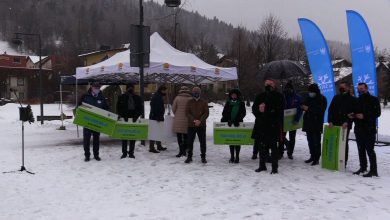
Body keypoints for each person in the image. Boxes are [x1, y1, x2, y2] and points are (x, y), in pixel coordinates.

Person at [252, 79, 285, 174]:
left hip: (273, 126)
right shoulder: (260, 96)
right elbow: (254, 109)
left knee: (274, 148)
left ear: (274, 85)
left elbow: (281, 109)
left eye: (270, 84)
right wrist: (259, 111)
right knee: (262, 148)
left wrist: (269, 110)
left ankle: (274, 168)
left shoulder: (279, 96)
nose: (268, 85)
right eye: (266, 84)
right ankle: (262, 166)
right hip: (261, 125)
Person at [352, 83, 381, 177]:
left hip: (369, 129)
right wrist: (353, 115)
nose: (360, 90)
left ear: (366, 88)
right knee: (361, 150)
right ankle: (363, 167)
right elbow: (355, 112)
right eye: (358, 89)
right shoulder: (357, 100)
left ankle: (373, 170)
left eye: (362, 89)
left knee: (370, 150)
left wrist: (364, 116)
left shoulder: (374, 99)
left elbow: (377, 113)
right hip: (359, 129)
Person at [328, 81, 356, 167]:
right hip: (335, 123)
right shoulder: (336, 97)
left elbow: (353, 113)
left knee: (343, 143)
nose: (341, 88)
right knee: (334, 141)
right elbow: (331, 110)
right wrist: (330, 121)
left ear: (348, 88)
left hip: (345, 125)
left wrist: (347, 122)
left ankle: (343, 161)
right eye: (340, 87)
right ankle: (334, 158)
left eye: (343, 87)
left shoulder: (352, 99)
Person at [79, 82, 109, 162]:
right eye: (95, 87)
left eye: (98, 87)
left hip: (97, 122)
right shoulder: (85, 96)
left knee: (96, 140)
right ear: (91, 87)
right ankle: (87, 155)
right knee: (86, 140)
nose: (97, 89)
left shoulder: (102, 97)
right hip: (87, 122)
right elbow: (79, 107)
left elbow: (106, 108)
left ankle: (96, 155)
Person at [301, 83, 327, 166]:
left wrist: (309, 108)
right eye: (309, 91)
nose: (310, 93)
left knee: (316, 142)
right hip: (308, 122)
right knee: (310, 141)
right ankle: (312, 156)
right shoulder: (308, 97)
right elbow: (303, 103)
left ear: (315, 91)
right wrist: (302, 106)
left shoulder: (322, 98)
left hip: (316, 123)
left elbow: (320, 110)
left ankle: (317, 158)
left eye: (311, 92)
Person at [116, 84, 143, 159]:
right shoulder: (122, 97)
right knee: (124, 136)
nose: (131, 90)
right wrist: (122, 115)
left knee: (132, 136)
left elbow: (140, 108)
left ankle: (131, 152)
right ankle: (124, 153)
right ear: (126, 89)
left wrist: (136, 116)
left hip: (133, 119)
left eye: (132, 88)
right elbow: (118, 108)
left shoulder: (137, 98)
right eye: (129, 88)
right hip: (125, 119)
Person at [221, 88, 246, 163]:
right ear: (230, 95)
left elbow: (243, 113)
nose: (234, 95)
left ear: (237, 95)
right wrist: (228, 119)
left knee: (237, 141)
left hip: (238, 124)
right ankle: (232, 156)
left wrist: (237, 120)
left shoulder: (241, 103)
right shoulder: (228, 103)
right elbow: (224, 113)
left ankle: (237, 157)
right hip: (229, 124)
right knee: (231, 140)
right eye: (232, 94)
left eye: (235, 94)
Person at [185, 86, 209, 164]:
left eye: (197, 93)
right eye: (194, 92)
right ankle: (189, 156)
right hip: (191, 125)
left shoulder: (204, 102)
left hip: (201, 125)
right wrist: (194, 120)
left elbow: (206, 113)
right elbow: (187, 113)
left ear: (200, 93)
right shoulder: (189, 102)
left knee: (202, 142)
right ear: (192, 93)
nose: (196, 94)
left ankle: (203, 157)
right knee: (190, 142)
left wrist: (200, 121)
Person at [280, 82, 302, 160]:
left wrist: (296, 119)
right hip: (283, 121)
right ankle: (280, 152)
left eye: (289, 89)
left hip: (293, 121)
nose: (288, 90)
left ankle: (290, 153)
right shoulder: (282, 96)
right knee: (281, 137)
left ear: (292, 89)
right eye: (286, 89)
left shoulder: (298, 97)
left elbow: (300, 109)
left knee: (292, 138)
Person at [172, 86, 192, 157]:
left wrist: (177, 114)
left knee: (179, 136)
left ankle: (181, 151)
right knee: (186, 136)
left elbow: (173, 109)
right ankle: (185, 150)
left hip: (178, 120)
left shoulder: (177, 98)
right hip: (187, 120)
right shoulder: (190, 99)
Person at [149, 85, 168, 153]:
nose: (166, 92)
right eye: (165, 90)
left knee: (158, 132)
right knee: (154, 132)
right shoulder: (157, 96)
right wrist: (157, 116)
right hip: (155, 117)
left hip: (157, 117)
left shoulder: (158, 95)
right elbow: (154, 107)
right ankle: (151, 148)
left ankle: (159, 146)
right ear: (161, 90)